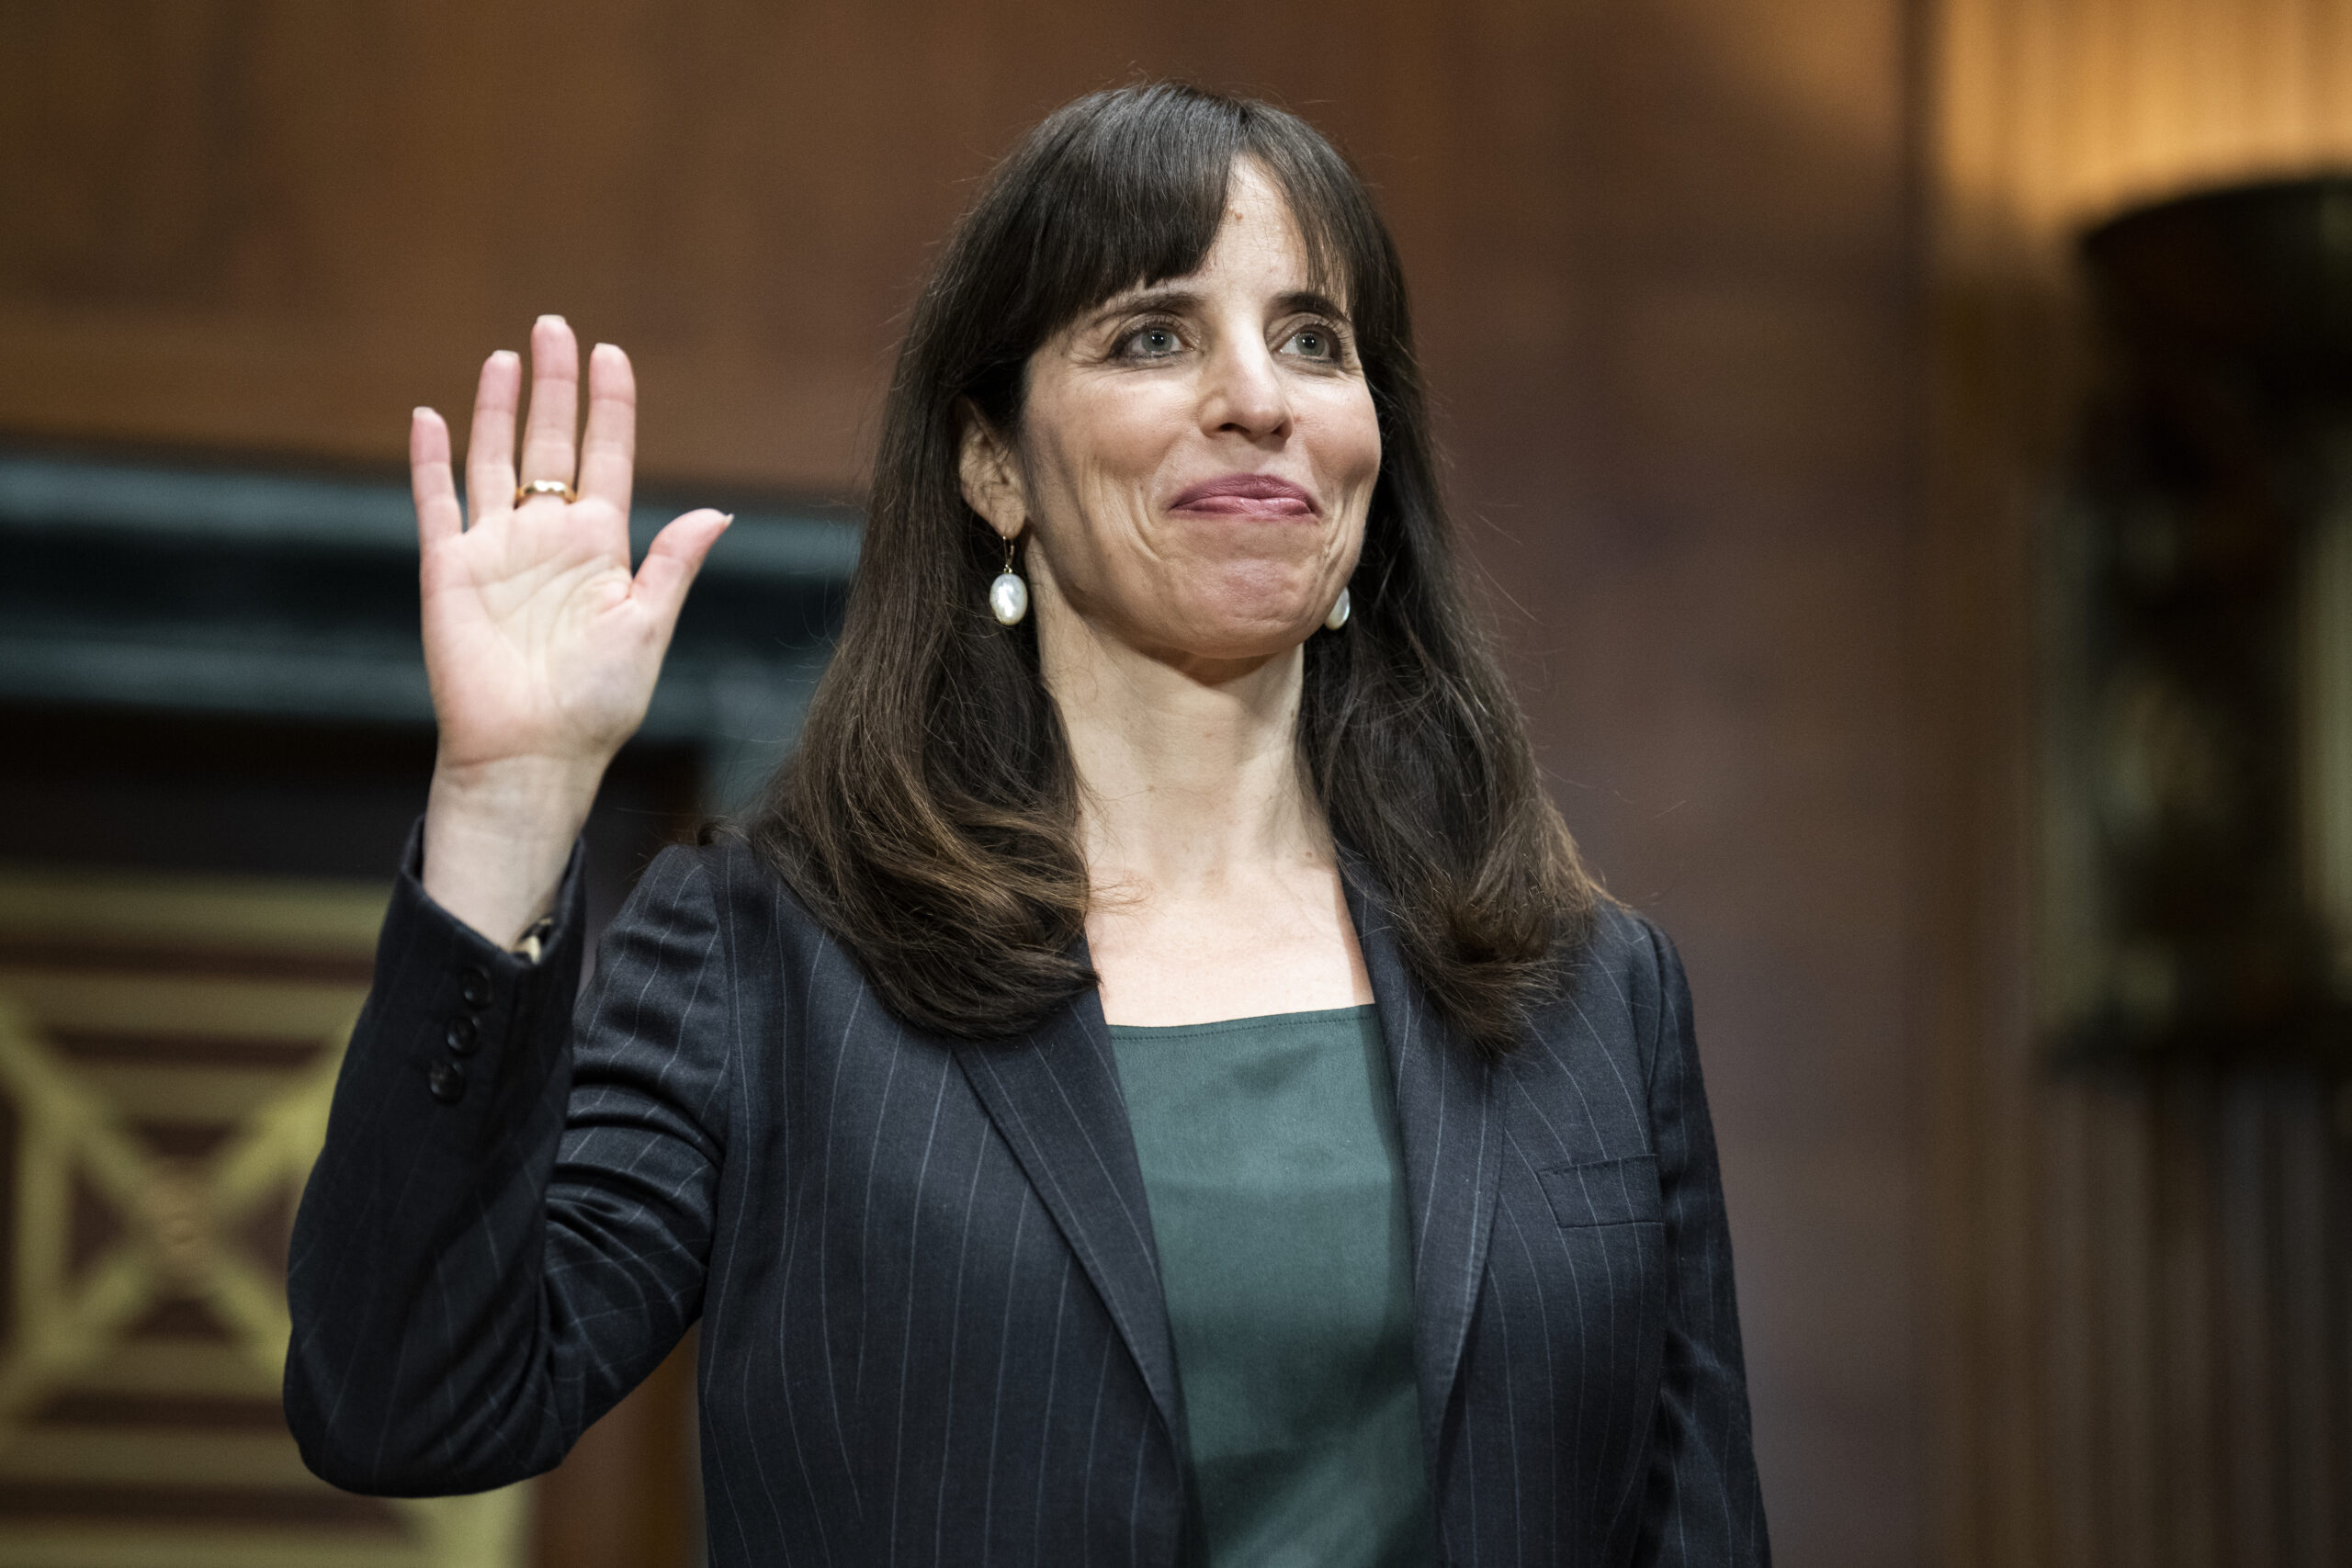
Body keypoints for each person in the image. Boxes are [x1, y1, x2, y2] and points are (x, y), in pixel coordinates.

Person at [285, 82, 1769, 1567]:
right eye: (1153, 336)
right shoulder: (770, 959)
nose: (1260, 396)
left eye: (1314, 340)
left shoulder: (1594, 991)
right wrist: (512, 797)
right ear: (993, 464)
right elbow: (411, 1404)